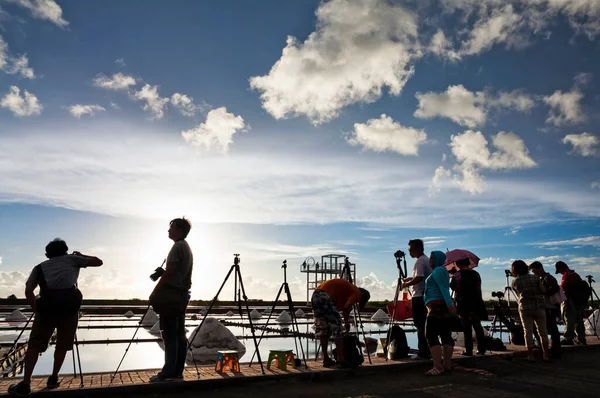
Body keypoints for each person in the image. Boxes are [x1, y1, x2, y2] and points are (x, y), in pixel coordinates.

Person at [8, 239, 103, 396]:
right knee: (62, 344)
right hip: (69, 310)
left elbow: (28, 290)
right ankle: (53, 378)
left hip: (46, 311)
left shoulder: (39, 268)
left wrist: (36, 308)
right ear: (66, 251)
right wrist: (81, 255)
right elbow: (99, 262)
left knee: (34, 346)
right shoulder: (74, 260)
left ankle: (25, 384)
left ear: (47, 254)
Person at [149, 218, 193, 382]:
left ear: (180, 230)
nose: (169, 230)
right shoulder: (185, 247)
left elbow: (171, 273)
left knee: (169, 335)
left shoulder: (177, 247)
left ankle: (167, 372)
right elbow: (174, 271)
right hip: (181, 296)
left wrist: (155, 292)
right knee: (179, 334)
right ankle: (176, 371)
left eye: (172, 227)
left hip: (172, 296)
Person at [311, 278, 370, 367]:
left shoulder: (348, 290)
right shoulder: (357, 293)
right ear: (363, 296)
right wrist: (346, 323)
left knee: (324, 329)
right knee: (338, 330)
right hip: (325, 296)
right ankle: (341, 360)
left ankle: (326, 359)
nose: (358, 302)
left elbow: (341, 306)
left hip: (315, 295)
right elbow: (346, 308)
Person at [423, 251, 456, 376]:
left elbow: (443, 288)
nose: (430, 260)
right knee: (445, 334)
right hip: (442, 307)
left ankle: (438, 366)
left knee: (430, 334)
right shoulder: (442, 271)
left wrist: (450, 304)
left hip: (436, 307)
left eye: (432, 258)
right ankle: (447, 365)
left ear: (438, 259)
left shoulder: (438, 271)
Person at [511, 260, 549, 362]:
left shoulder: (515, 281)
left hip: (525, 308)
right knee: (543, 332)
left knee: (527, 332)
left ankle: (531, 356)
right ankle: (546, 355)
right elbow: (544, 291)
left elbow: (518, 295)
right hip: (539, 307)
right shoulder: (535, 278)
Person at [401, 239, 432, 359]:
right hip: (425, 295)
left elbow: (419, 278)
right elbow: (419, 277)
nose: (410, 253)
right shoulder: (426, 260)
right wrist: (410, 279)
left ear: (418, 249)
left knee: (419, 324)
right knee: (424, 324)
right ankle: (427, 350)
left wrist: (406, 284)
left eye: (411, 250)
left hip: (419, 296)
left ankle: (423, 352)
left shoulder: (420, 261)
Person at [450, 258, 487, 356]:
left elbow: (452, 287)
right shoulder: (476, 274)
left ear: (458, 264)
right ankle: (481, 349)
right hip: (477, 302)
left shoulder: (457, 275)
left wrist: (453, 275)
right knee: (477, 326)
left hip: (463, 303)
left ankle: (469, 350)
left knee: (467, 328)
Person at [529, 261, 564, 359]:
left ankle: (555, 350)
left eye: (534, 271)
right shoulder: (544, 278)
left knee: (552, 328)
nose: (534, 273)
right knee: (550, 328)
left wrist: (543, 292)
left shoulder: (548, 278)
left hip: (550, 307)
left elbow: (555, 288)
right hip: (548, 307)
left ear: (540, 268)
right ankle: (552, 349)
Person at [555, 261, 586, 346]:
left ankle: (568, 338)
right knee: (579, 320)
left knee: (569, 318)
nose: (560, 273)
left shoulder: (567, 275)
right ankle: (581, 338)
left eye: (560, 271)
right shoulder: (576, 275)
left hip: (570, 300)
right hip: (578, 301)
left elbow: (563, 287)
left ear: (561, 268)